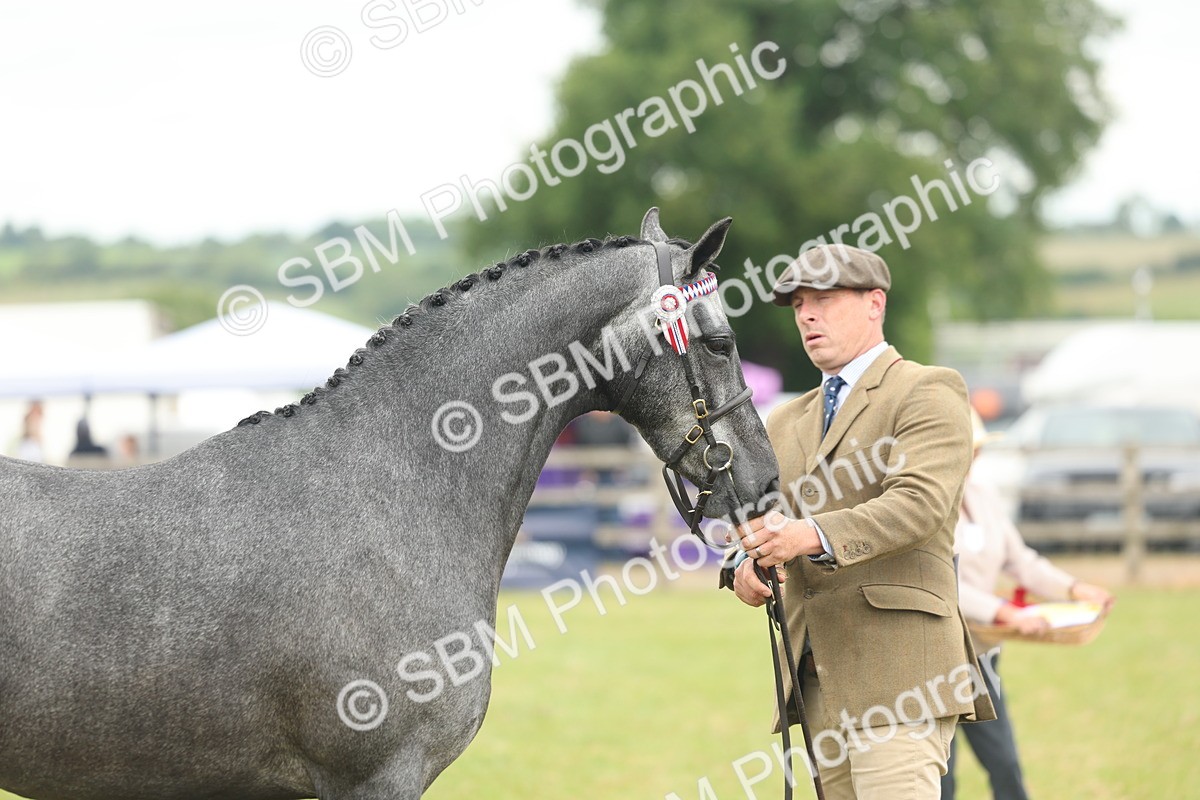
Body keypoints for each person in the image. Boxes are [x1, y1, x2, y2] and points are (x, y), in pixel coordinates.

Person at [726, 244, 995, 799]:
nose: (806, 315)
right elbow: (761, 522)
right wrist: (743, 566)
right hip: (815, 677)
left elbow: (919, 503)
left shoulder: (928, 389)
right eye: (799, 303)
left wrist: (811, 534)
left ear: (875, 303)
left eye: (823, 299)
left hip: (903, 670)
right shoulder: (784, 418)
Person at [940, 410, 1114, 800]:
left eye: (978, 451)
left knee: (1005, 764)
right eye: (967, 450)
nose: (974, 460)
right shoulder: (924, 507)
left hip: (982, 659)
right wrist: (1003, 611)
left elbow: (1020, 560)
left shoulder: (982, 497)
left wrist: (1074, 589)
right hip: (935, 660)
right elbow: (939, 582)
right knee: (940, 778)